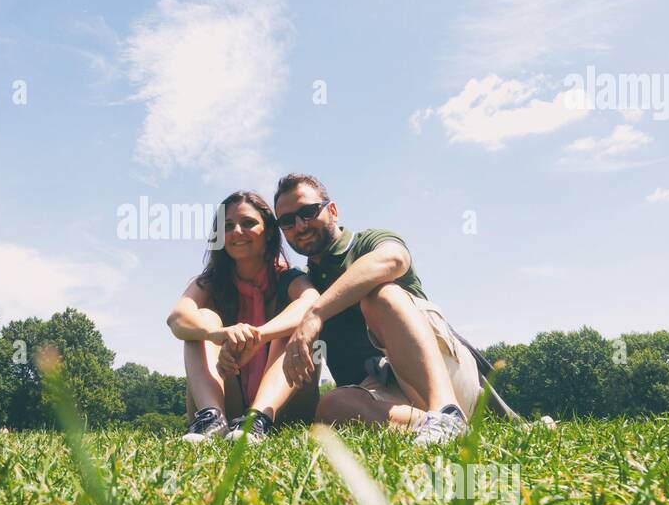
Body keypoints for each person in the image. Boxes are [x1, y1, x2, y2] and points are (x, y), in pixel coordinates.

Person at [274, 173, 491, 445]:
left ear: (332, 210)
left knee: (380, 295)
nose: (299, 225)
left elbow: (394, 259)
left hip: (444, 375)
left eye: (307, 211)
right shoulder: (304, 284)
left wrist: (316, 313)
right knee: (333, 406)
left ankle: (447, 411)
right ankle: (435, 426)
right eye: (287, 221)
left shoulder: (369, 242)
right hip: (384, 392)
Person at [167, 190, 320, 443]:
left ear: (269, 231)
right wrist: (217, 334)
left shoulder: (289, 278)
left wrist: (259, 336)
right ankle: (211, 420)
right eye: (228, 226)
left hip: (285, 404)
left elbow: (312, 303)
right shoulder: (210, 282)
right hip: (229, 396)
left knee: (295, 326)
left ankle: (257, 420)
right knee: (201, 318)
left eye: (248, 223)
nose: (237, 232)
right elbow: (177, 317)